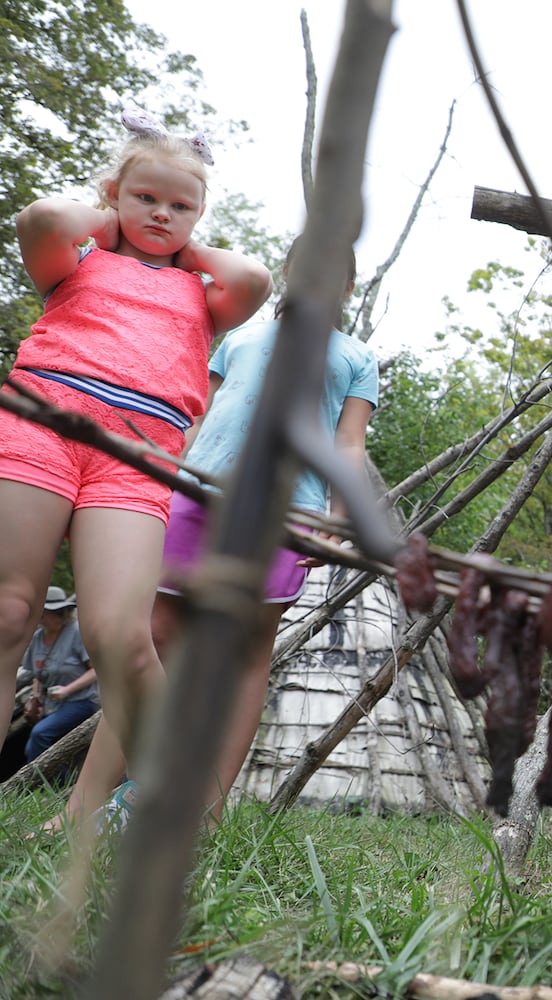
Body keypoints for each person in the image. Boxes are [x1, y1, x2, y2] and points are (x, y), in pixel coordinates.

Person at [1, 109, 271, 827]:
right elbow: (40, 216)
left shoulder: (205, 293)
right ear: (114, 192)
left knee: (123, 636)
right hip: (39, 426)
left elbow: (254, 275)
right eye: (145, 197)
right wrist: (110, 217)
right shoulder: (79, 259)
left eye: (181, 205)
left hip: (138, 461)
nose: (162, 213)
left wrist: (184, 240)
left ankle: (160, 806)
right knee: (9, 610)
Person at [58, 237, 378, 827]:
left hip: (288, 513)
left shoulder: (355, 357)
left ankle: (207, 811)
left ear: (348, 287)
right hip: (196, 496)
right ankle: (84, 804)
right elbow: (197, 412)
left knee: (247, 654)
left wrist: (340, 518)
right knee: (147, 638)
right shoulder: (242, 338)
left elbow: (349, 445)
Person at [20, 587, 98, 763]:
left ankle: (49, 785)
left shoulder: (77, 633)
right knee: (31, 746)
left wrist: (66, 690)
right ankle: (55, 785)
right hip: (52, 705)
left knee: (41, 734)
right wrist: (35, 698)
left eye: (46, 613)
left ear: (60, 613)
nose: (41, 617)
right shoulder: (38, 637)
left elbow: (96, 671)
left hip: (81, 701)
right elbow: (37, 674)